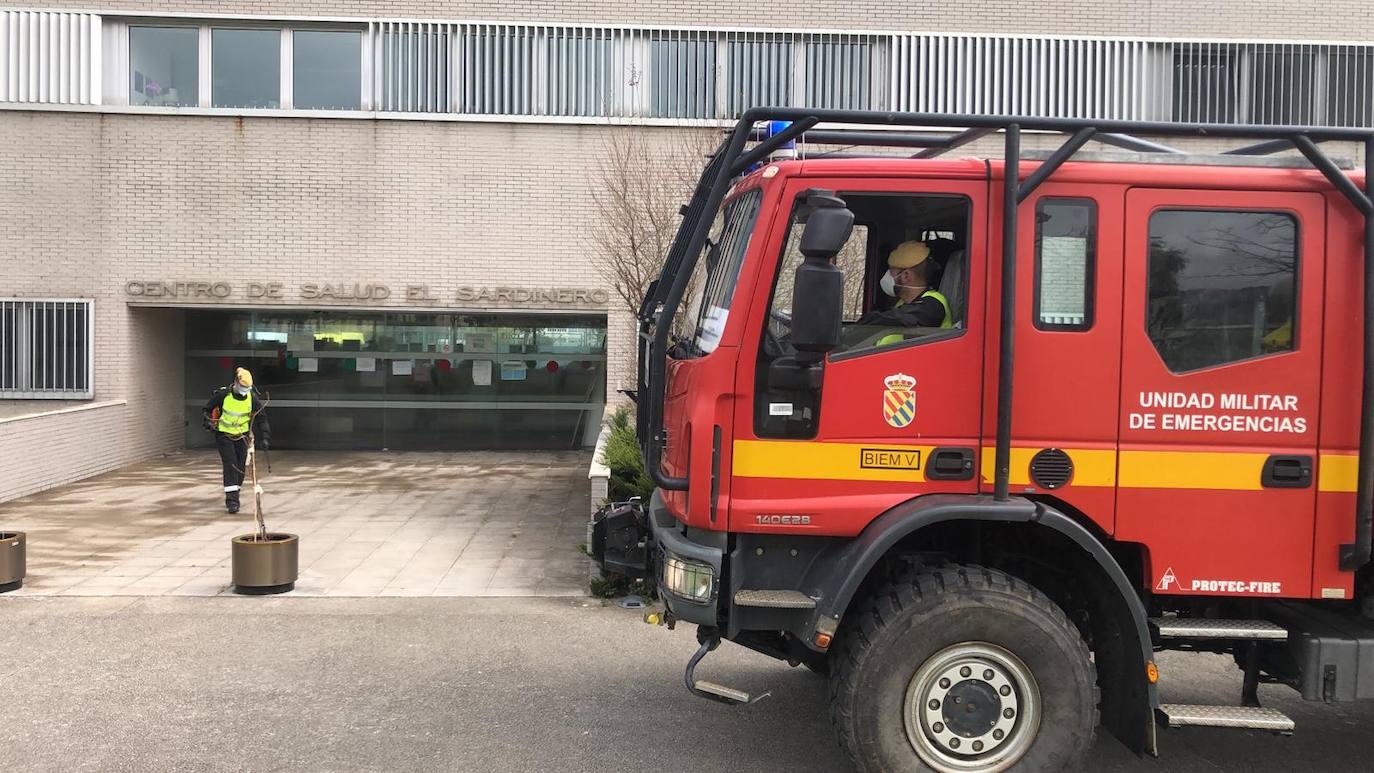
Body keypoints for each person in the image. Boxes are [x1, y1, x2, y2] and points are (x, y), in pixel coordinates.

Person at [203, 367, 271, 514]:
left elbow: (261, 417)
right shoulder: (223, 395)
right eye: (243, 387)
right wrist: (208, 422)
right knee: (231, 465)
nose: (245, 390)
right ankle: (232, 501)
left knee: (240, 468)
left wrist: (265, 436)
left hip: (242, 437)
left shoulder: (251, 397)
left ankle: (235, 493)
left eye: (248, 388)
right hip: (224, 435)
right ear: (236, 383)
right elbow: (207, 409)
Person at [855, 241, 953, 333]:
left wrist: (860, 326)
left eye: (891, 271)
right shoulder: (903, 302)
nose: (887, 275)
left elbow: (897, 319)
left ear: (906, 275)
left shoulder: (932, 305)